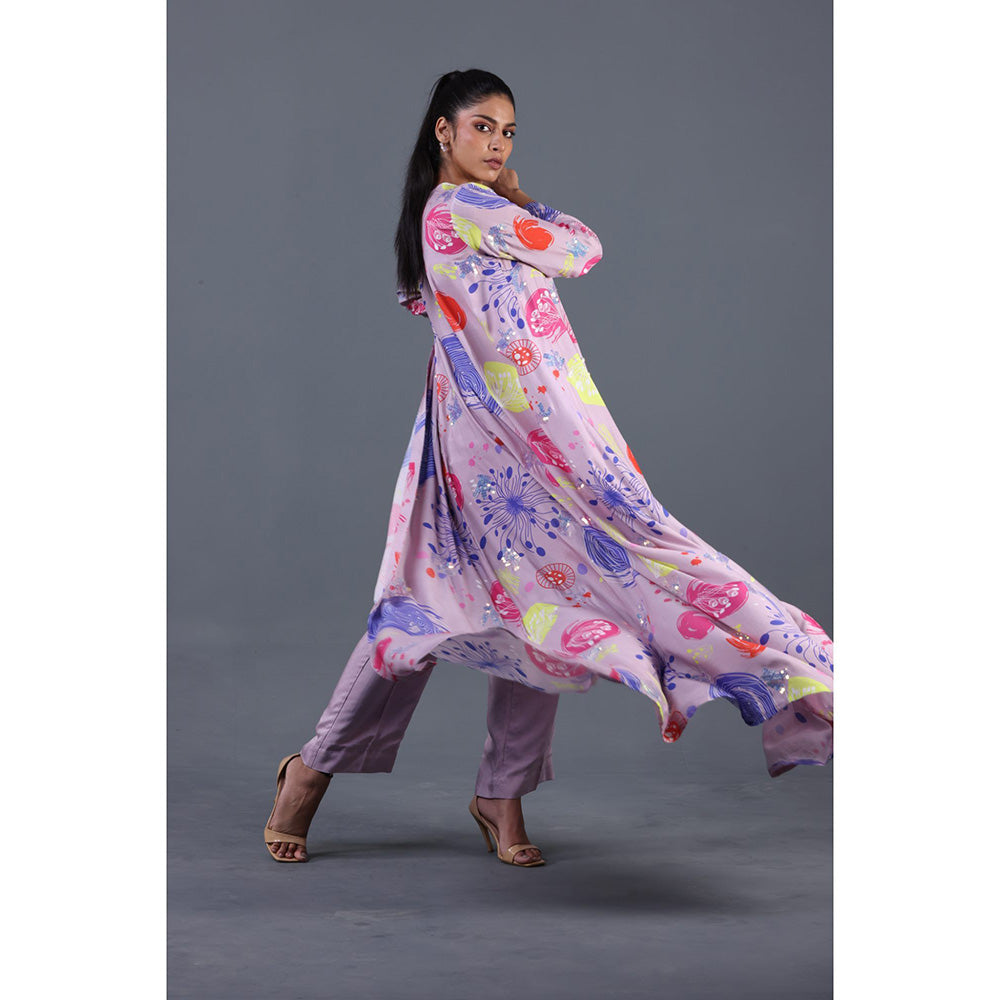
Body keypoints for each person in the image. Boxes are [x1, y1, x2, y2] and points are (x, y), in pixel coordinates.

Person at [264, 68, 834, 867]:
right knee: (428, 607)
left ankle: (500, 792)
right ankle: (312, 771)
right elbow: (581, 249)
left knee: (542, 600)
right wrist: (527, 201)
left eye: (508, 132)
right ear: (443, 131)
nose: (497, 144)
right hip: (495, 447)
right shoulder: (462, 209)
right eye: (482, 127)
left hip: (537, 440)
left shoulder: (471, 213)